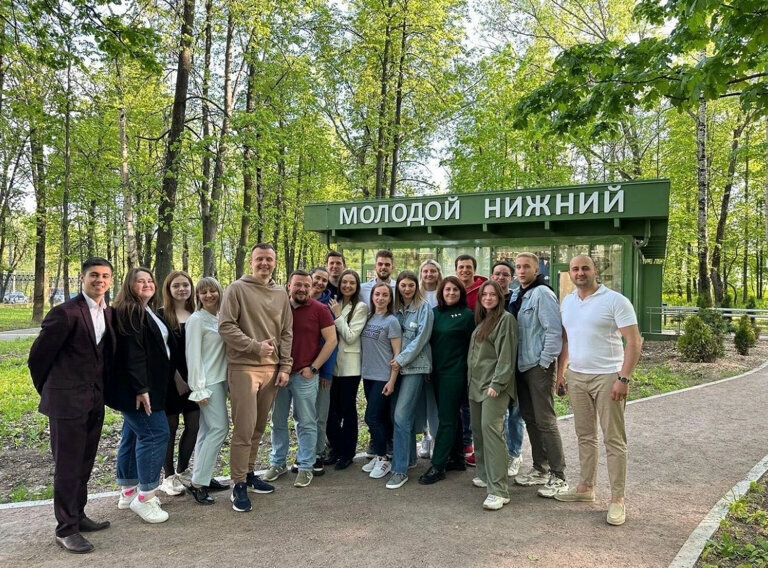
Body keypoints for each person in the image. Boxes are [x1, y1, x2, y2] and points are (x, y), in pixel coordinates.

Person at [28, 258, 116, 554]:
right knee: (67, 466)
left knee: (85, 462)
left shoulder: (108, 313)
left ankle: (78, 515)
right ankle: (65, 529)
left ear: (110, 280)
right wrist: (52, 392)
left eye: (105, 276)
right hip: (66, 403)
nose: (100, 280)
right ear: (82, 277)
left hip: (94, 400)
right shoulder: (64, 313)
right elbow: (38, 358)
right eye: (94, 275)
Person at [555, 254, 642, 526]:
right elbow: (566, 340)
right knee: (585, 435)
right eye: (575, 269)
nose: (580, 273)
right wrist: (561, 372)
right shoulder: (568, 302)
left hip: (608, 377)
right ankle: (585, 488)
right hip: (577, 376)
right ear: (570, 273)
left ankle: (617, 499)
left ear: (595, 271)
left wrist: (623, 378)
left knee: (613, 439)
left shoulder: (615, 301)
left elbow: (634, 342)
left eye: (585, 268)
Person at [218, 243, 292, 513]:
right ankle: (237, 483)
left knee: (259, 427)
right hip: (243, 368)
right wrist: (254, 346)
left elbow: (286, 332)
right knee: (244, 429)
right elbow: (226, 326)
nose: (264, 263)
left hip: (271, 370)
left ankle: (249, 474)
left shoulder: (280, 293)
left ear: (275, 262)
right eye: (259, 259)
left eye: (269, 259)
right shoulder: (236, 289)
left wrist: (285, 366)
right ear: (251, 262)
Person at [108, 267, 175, 524]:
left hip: (148, 386)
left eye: (150, 280)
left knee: (133, 433)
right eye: (140, 281)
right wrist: (141, 388)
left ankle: (128, 491)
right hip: (139, 389)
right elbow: (132, 351)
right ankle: (145, 497)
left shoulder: (145, 309)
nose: (146, 284)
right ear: (129, 285)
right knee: (156, 433)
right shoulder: (131, 310)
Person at [263, 271, 337, 488]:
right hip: (278, 375)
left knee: (306, 422)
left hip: (305, 376)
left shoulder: (320, 309)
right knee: (277, 421)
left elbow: (332, 340)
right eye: (298, 285)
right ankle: (277, 463)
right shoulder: (278, 307)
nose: (302, 289)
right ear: (289, 285)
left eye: (307, 285)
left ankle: (306, 466)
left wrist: (314, 368)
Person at [507, 253, 568, 498]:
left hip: (537, 366)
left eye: (526, 267)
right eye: (518, 267)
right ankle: (540, 468)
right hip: (520, 366)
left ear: (537, 269)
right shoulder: (517, 294)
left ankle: (559, 475)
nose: (521, 271)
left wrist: (544, 363)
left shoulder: (542, 293)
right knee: (530, 418)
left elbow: (554, 331)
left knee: (545, 420)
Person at [418, 276, 475, 485]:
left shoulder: (467, 316)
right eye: (447, 290)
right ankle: (457, 458)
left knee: (447, 419)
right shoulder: (434, 313)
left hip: (455, 373)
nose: (451, 293)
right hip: (437, 373)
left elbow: (473, 346)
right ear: (441, 292)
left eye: (455, 290)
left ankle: (438, 465)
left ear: (461, 293)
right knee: (453, 416)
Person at [467, 280, 518, 510]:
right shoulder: (484, 320)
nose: (488, 298)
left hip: (494, 386)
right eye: (484, 295)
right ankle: (485, 474)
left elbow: (506, 355)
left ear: (500, 297)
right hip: (475, 385)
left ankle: (498, 490)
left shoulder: (505, 320)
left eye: (492, 294)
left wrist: (498, 383)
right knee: (478, 431)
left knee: (492, 432)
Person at [387, 270, 433, 489]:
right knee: (398, 416)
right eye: (403, 285)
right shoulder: (394, 309)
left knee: (401, 415)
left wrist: (401, 360)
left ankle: (399, 470)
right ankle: (410, 459)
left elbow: (421, 339)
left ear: (417, 287)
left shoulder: (424, 308)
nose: (407, 289)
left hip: (415, 367)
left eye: (411, 285)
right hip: (394, 370)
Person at [185, 277, 230, 505]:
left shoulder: (221, 317)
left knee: (206, 431)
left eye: (213, 290)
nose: (209, 295)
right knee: (220, 428)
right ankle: (197, 484)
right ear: (198, 296)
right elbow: (192, 356)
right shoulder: (196, 320)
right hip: (208, 383)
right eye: (203, 292)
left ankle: (202, 475)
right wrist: (198, 388)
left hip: (222, 380)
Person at [157, 270, 199, 496]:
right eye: (176, 285)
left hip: (195, 380)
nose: (182, 289)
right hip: (170, 381)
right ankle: (169, 476)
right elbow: (161, 353)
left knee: (194, 425)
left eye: (185, 285)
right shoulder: (160, 315)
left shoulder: (197, 314)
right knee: (170, 428)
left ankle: (183, 471)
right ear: (168, 289)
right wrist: (178, 379)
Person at [326, 269, 368, 470]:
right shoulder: (334, 302)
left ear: (357, 286)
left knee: (348, 409)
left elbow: (350, 336)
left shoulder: (360, 307)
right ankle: (336, 447)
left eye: (352, 283)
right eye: (344, 282)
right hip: (331, 365)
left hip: (350, 367)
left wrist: (337, 315)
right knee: (331, 410)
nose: (347, 286)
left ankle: (348, 452)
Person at [360, 282, 402, 480]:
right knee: (380, 418)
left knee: (372, 418)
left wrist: (392, 380)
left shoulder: (391, 321)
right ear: (372, 296)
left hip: (383, 377)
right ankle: (380, 454)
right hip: (368, 376)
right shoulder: (368, 317)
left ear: (390, 298)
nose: (380, 298)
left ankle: (383, 458)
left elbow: (397, 354)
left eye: (385, 295)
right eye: (377, 294)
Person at [491, 260, 525, 478]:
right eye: (497, 274)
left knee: (515, 412)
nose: (500, 277)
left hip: (516, 362)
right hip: (493, 364)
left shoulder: (517, 300)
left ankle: (515, 453)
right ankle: (500, 453)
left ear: (511, 278)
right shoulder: (488, 300)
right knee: (497, 413)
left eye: (505, 274)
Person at [455, 254, 487, 465]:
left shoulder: (482, 290)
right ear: (456, 270)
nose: (465, 270)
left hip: (478, 351)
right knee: (460, 400)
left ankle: (471, 443)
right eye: (461, 267)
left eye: (468, 267)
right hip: (456, 352)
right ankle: (463, 442)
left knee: (472, 400)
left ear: (474, 270)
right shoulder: (453, 289)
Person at [306, 266, 339, 474]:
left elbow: (333, 342)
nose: (319, 283)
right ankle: (304, 452)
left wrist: (326, 371)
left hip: (322, 369)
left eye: (323, 280)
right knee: (303, 415)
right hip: (300, 369)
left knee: (320, 413)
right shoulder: (295, 300)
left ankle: (318, 452)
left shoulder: (329, 306)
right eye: (317, 278)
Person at [416, 259, 442, 459]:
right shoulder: (417, 294)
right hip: (418, 351)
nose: (429, 274)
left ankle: (435, 438)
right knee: (420, 399)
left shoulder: (443, 293)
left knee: (434, 399)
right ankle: (425, 435)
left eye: (433, 271)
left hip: (438, 351)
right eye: (425, 271)